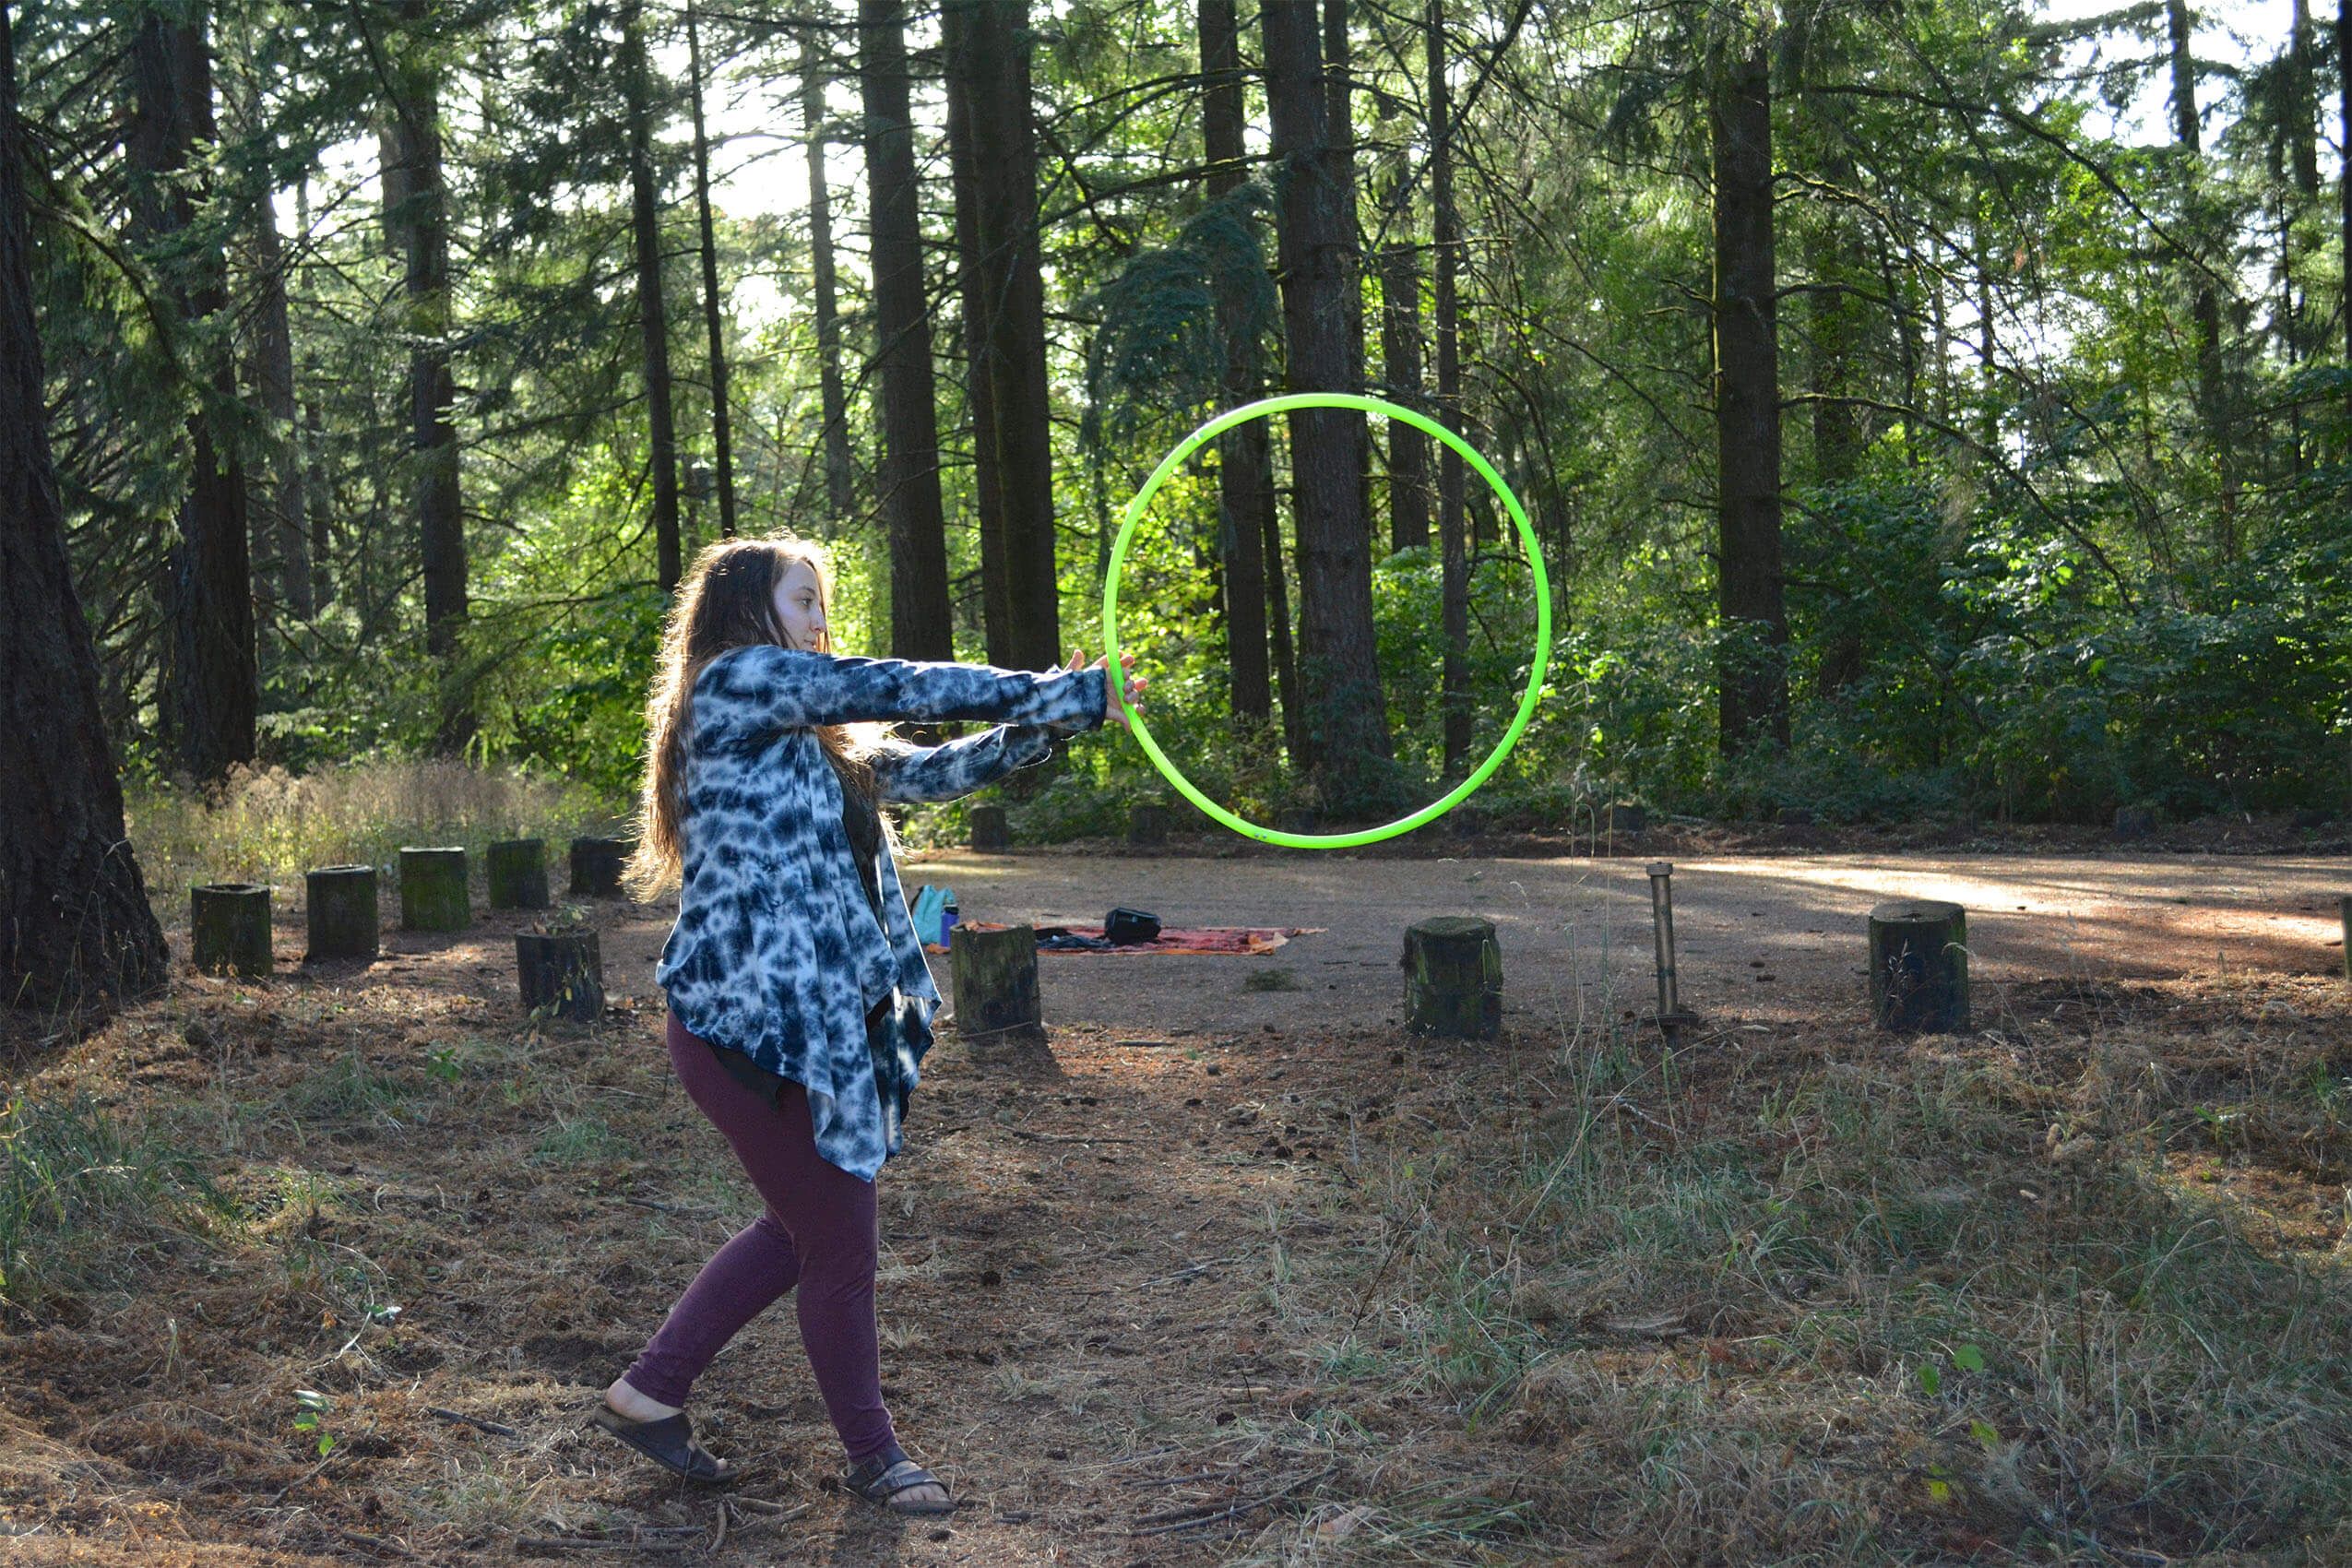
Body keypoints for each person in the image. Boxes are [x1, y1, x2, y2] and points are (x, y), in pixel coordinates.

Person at [594, 535, 1143, 1515]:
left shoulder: (817, 735)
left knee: (804, 1226)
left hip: (814, 1026)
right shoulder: (735, 685)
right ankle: (874, 1455)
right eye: (804, 600)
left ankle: (650, 1389)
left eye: (821, 604)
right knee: (839, 1237)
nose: (820, 620)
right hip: (738, 1029)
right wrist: (1047, 688)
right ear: (746, 609)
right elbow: (900, 679)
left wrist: (1064, 716)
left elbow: (934, 772)